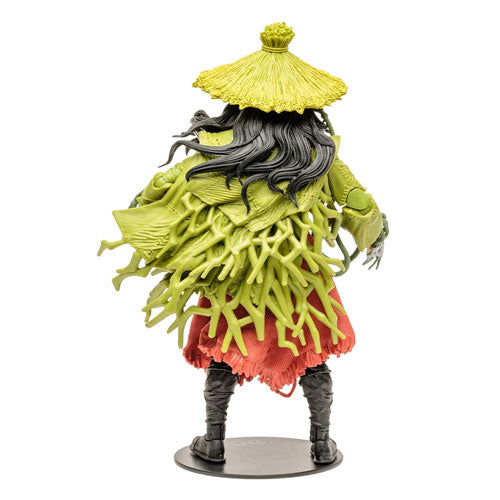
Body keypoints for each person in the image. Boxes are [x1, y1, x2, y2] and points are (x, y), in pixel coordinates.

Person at [100, 22, 388, 465]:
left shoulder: (217, 150)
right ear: (305, 108)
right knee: (310, 350)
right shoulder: (319, 155)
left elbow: (164, 183)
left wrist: (143, 206)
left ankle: (213, 442)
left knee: (223, 349)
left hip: (233, 272)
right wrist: (375, 232)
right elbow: (358, 203)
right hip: (298, 276)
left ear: (238, 104)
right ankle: (320, 443)